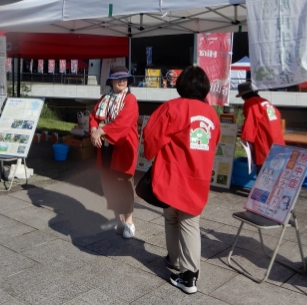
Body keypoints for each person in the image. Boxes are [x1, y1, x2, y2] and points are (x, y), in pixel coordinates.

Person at [143, 65, 220, 294]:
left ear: (181, 84)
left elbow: (151, 135)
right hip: (198, 176)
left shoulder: (171, 107)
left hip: (172, 175)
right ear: (205, 87)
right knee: (190, 222)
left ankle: (186, 275)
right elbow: (213, 144)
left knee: (172, 220)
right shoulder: (211, 114)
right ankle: (184, 269)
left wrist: (151, 154)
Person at [89, 66, 139, 239]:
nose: (122, 81)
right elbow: (94, 116)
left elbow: (123, 123)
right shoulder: (105, 98)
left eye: (125, 78)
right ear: (110, 81)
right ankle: (118, 218)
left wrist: (100, 132)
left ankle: (130, 221)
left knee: (123, 183)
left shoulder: (130, 99)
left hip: (123, 147)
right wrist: (94, 129)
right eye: (118, 78)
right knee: (109, 183)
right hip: (106, 148)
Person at [237, 82, 285, 175]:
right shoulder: (265, 101)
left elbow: (250, 122)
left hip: (264, 138)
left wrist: (245, 137)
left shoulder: (250, 103)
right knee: (276, 167)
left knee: (263, 168)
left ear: (244, 96)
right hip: (276, 137)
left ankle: (261, 188)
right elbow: (277, 115)